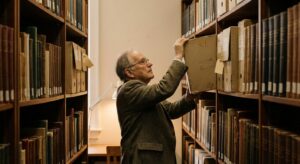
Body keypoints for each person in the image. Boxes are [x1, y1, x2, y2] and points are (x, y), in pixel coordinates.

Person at [115, 37, 196, 164]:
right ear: (129, 72)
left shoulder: (143, 92)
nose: (150, 64)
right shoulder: (128, 90)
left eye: (147, 60)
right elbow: (164, 88)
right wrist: (178, 56)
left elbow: (171, 110)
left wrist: (190, 97)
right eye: (142, 62)